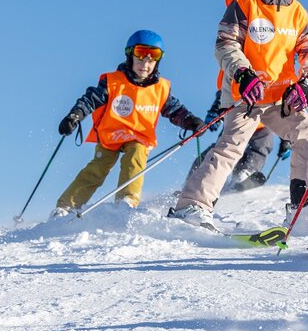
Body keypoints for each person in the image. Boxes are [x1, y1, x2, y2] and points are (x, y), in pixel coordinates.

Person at [168, 0, 308, 232]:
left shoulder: (298, 13)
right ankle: (191, 206)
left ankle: (304, 208)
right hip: (246, 94)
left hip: (280, 97)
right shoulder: (244, 5)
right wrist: (243, 74)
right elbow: (225, 45)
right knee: (232, 145)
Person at [52, 30, 205, 216]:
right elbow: (90, 100)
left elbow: (174, 110)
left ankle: (126, 201)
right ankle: (66, 207)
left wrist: (190, 121)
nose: (145, 64)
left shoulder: (160, 88)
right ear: (129, 56)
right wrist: (75, 116)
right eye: (140, 57)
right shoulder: (113, 82)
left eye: (151, 59)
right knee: (97, 169)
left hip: (138, 137)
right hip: (111, 135)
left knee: (136, 155)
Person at [189, 87, 292, 192]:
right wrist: (216, 112)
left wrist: (286, 139)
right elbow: (225, 91)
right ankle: (198, 175)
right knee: (225, 147)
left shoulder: (273, 78)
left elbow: (282, 108)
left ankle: (245, 171)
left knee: (261, 146)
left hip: (262, 124)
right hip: (238, 120)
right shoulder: (239, 73)